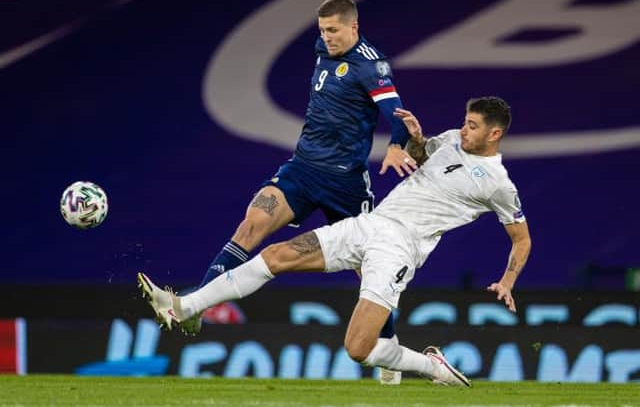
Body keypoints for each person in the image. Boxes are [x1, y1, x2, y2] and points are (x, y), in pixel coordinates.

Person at [139, 96, 532, 386]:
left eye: (473, 127)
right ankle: (183, 305)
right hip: (370, 224)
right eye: (464, 122)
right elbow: (420, 155)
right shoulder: (450, 140)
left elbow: (522, 239)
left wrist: (508, 280)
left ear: (495, 134)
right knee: (277, 255)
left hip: (399, 247)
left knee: (358, 348)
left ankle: (431, 367)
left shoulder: (498, 184)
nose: (464, 130)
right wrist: (415, 138)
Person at [179, 0, 416, 384]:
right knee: (251, 224)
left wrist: (395, 145)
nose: (327, 38)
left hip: (345, 182)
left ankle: (387, 348)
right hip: (302, 170)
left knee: (368, 269)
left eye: (335, 31)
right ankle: (196, 305)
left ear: (354, 27)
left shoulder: (372, 66)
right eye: (323, 30)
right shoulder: (322, 47)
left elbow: (400, 116)